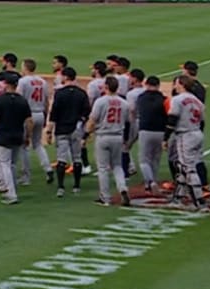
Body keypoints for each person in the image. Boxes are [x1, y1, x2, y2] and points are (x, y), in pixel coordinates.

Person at [0, 72, 33, 205]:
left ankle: (11, 194)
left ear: (6, 84)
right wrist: (27, 136)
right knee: (12, 164)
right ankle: (12, 190)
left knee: (5, 164)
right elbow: (29, 121)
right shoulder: (22, 100)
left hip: (4, 136)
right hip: (18, 135)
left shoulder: (0, 100)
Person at [85, 76, 132, 207]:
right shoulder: (124, 103)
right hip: (118, 136)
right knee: (117, 166)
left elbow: (93, 120)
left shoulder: (100, 101)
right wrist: (126, 139)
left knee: (103, 168)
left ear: (106, 87)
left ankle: (105, 197)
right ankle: (123, 188)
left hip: (103, 136)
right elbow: (129, 122)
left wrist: (85, 135)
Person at [166, 75, 208, 209]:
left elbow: (172, 119)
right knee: (183, 166)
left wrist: (165, 138)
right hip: (197, 133)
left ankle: (199, 201)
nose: (174, 86)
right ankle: (178, 197)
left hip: (185, 135)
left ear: (182, 84)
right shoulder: (197, 101)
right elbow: (202, 120)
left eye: (176, 84)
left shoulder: (177, 99)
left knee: (188, 168)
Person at [48, 66, 91, 197]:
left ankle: (61, 187)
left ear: (66, 77)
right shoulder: (82, 93)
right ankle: (76, 186)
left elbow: (54, 113)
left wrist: (49, 130)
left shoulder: (60, 93)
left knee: (61, 159)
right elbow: (87, 112)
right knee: (76, 158)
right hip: (76, 129)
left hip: (62, 129)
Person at [16, 59, 51, 184]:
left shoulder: (23, 81)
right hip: (40, 114)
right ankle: (48, 169)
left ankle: (26, 177)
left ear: (25, 68)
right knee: (37, 144)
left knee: (24, 146)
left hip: (27, 116)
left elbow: (19, 100)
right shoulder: (43, 81)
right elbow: (47, 101)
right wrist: (45, 117)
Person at [134, 76, 169, 195]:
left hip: (145, 130)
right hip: (161, 131)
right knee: (155, 159)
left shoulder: (141, 98)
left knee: (144, 160)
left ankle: (150, 182)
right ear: (158, 85)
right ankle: (151, 182)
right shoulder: (164, 99)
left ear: (147, 85)